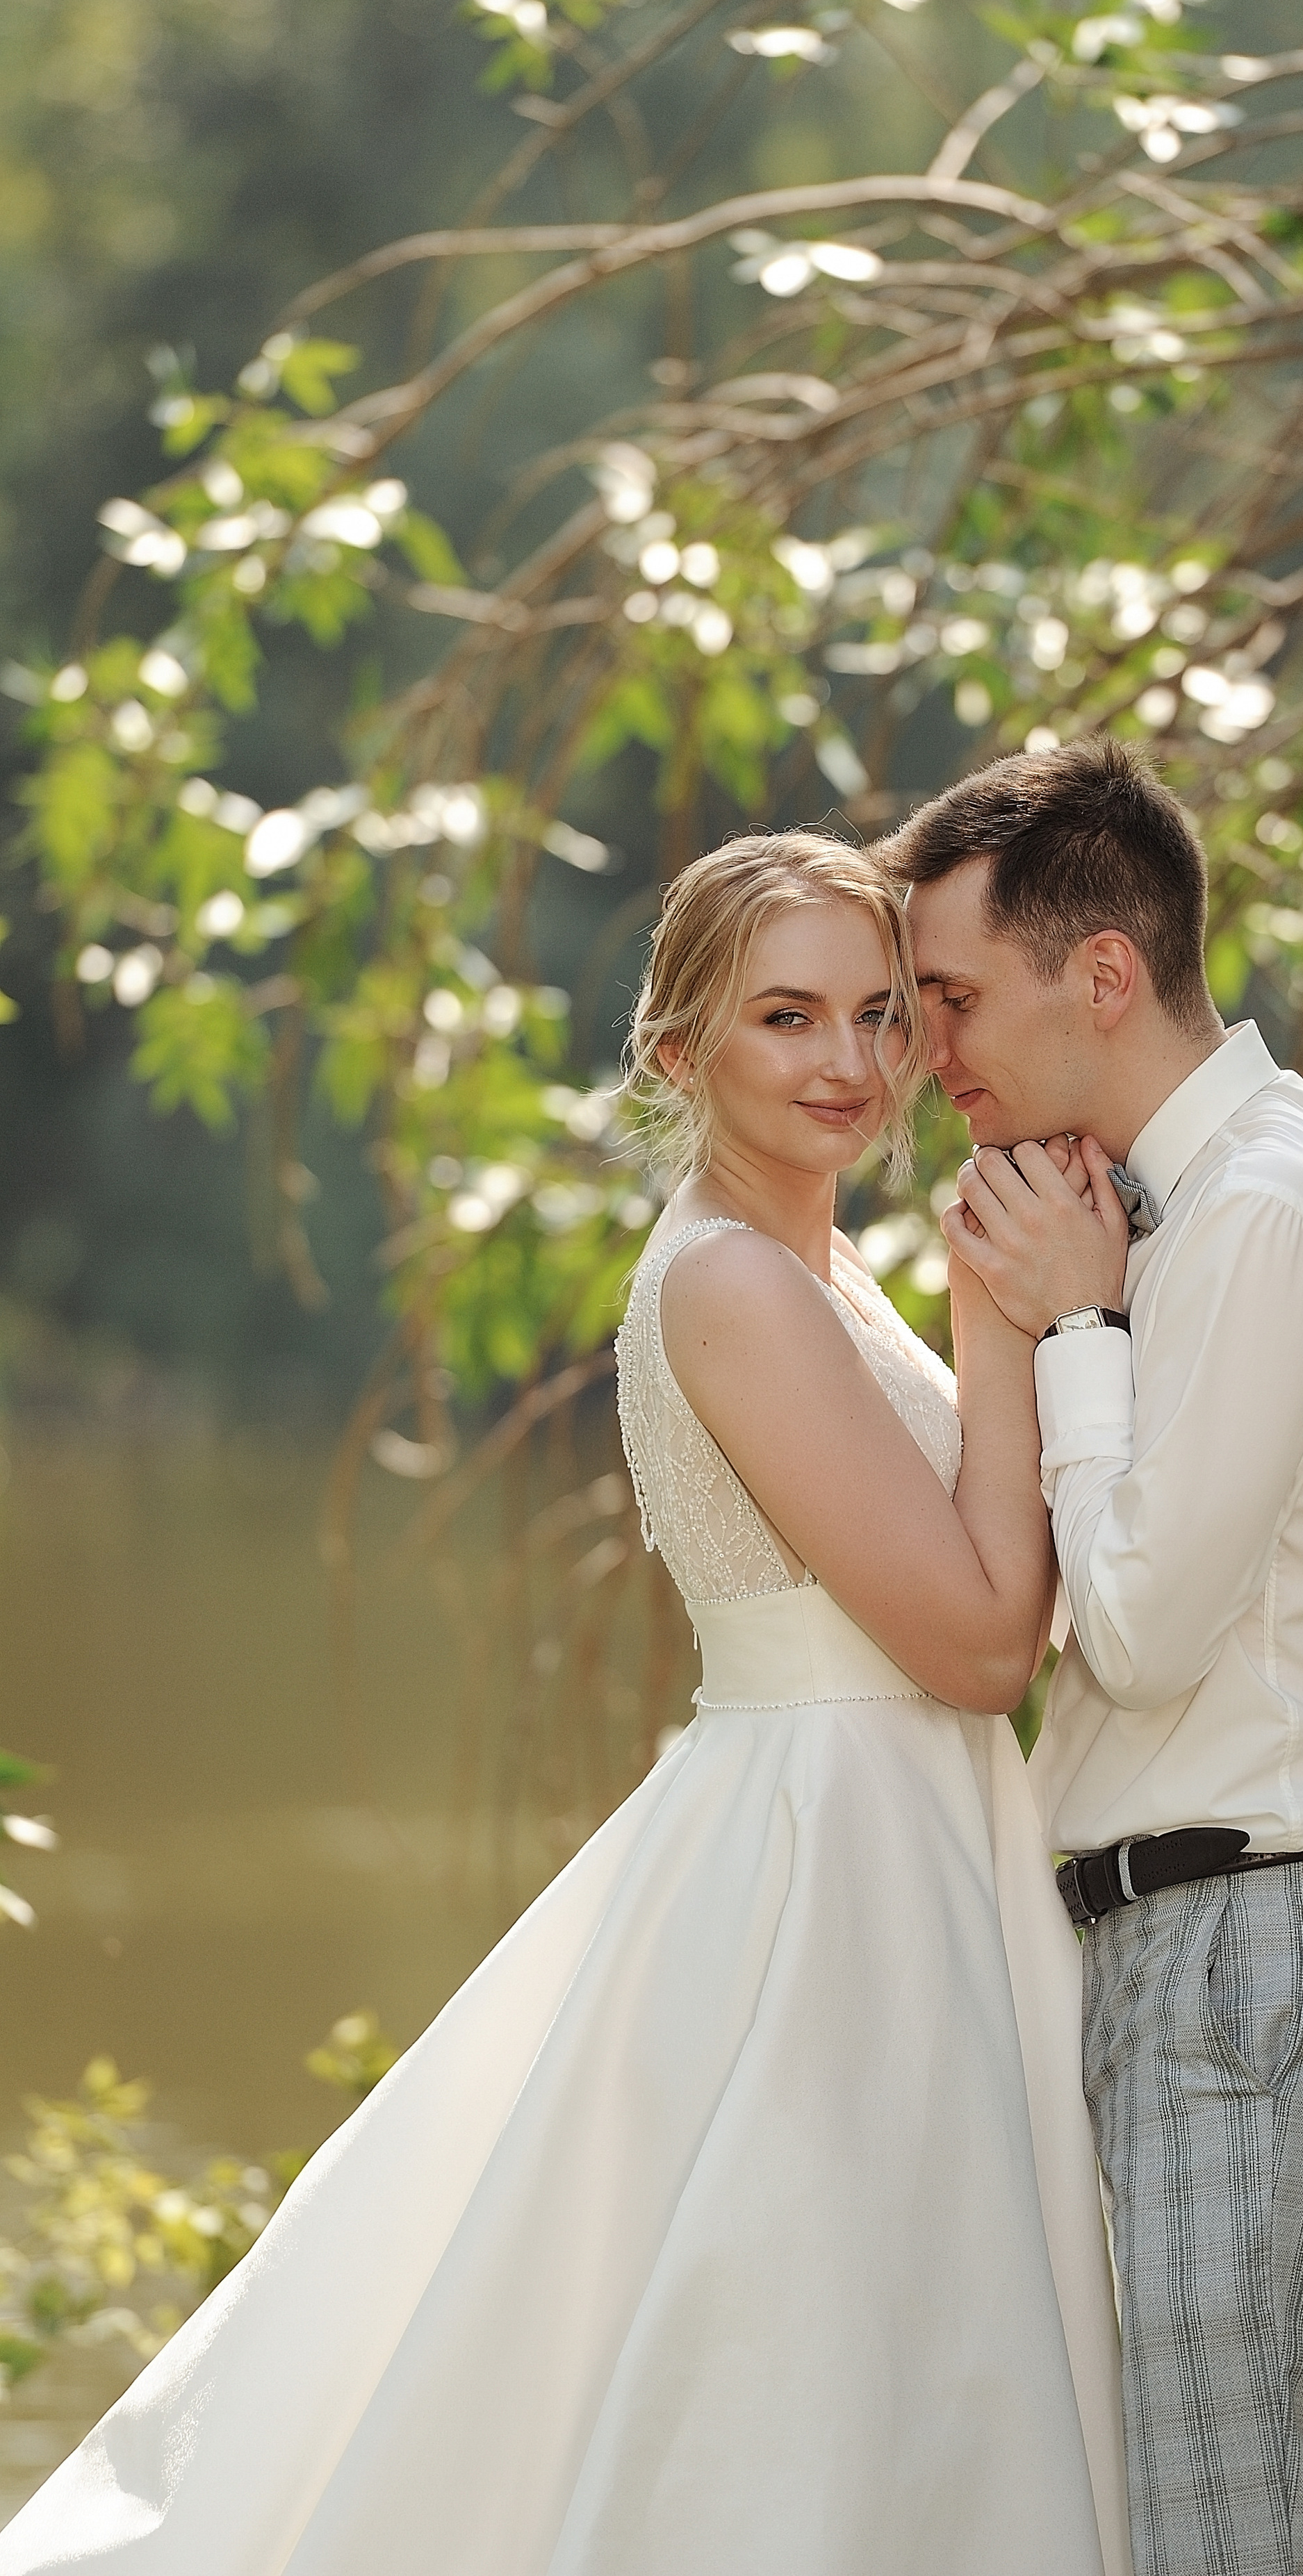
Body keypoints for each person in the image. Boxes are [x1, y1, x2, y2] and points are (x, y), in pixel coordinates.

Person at [0, 830, 1130, 2576]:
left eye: (880, 1015)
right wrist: (1013, 1323)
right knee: (804, 2373)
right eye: (784, 1017)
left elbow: (987, 1622)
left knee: (906, 2371)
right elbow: (984, 1649)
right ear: (679, 1054)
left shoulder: (815, 1271)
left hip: (909, 1836)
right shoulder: (735, 1286)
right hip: (828, 1874)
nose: (847, 1062)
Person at [879, 743, 1303, 2576]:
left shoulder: (1267, 1216)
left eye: (955, 999)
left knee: (1224, 2541)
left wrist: (1077, 1330)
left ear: (1106, 974)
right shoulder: (1173, 1212)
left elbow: (1132, 1633)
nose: (931, 1056)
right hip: (1214, 1936)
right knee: (1247, 2530)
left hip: (1265, 1943)